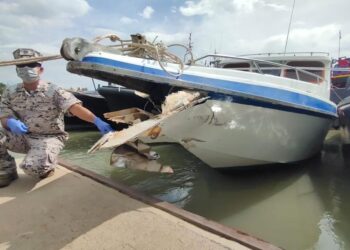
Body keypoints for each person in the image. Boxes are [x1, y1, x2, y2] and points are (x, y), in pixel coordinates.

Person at [0, 48, 114, 187]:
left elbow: (75, 108)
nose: (26, 69)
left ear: (40, 69)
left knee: (32, 168)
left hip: (49, 137)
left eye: (31, 65)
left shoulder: (53, 90)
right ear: (16, 69)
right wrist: (10, 122)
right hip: (23, 137)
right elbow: (4, 116)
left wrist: (96, 121)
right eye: (21, 66)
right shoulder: (10, 92)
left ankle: (46, 164)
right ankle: (7, 170)